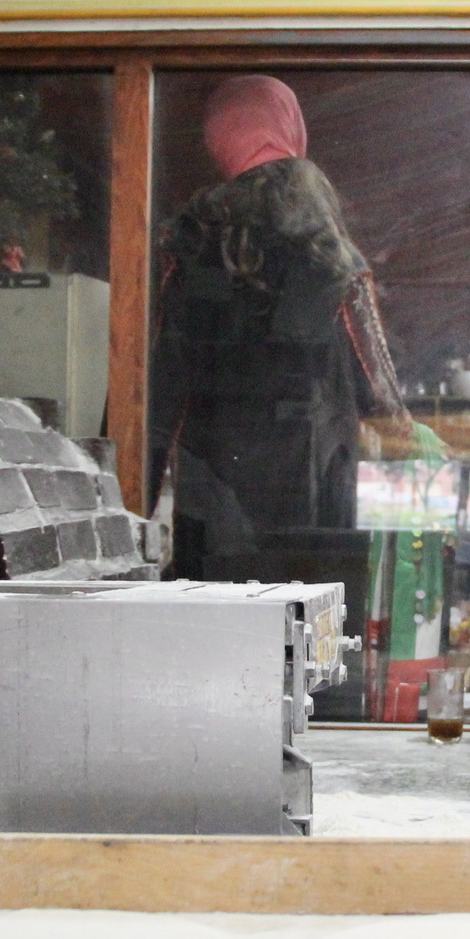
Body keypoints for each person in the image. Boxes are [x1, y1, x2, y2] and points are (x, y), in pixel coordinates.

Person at [148, 75, 433, 576]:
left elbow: (154, 400)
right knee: (311, 648)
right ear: (291, 128)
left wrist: (128, 509)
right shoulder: (331, 254)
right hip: (316, 522)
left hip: (214, 518)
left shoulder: (187, 251)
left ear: (218, 143)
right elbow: (383, 400)